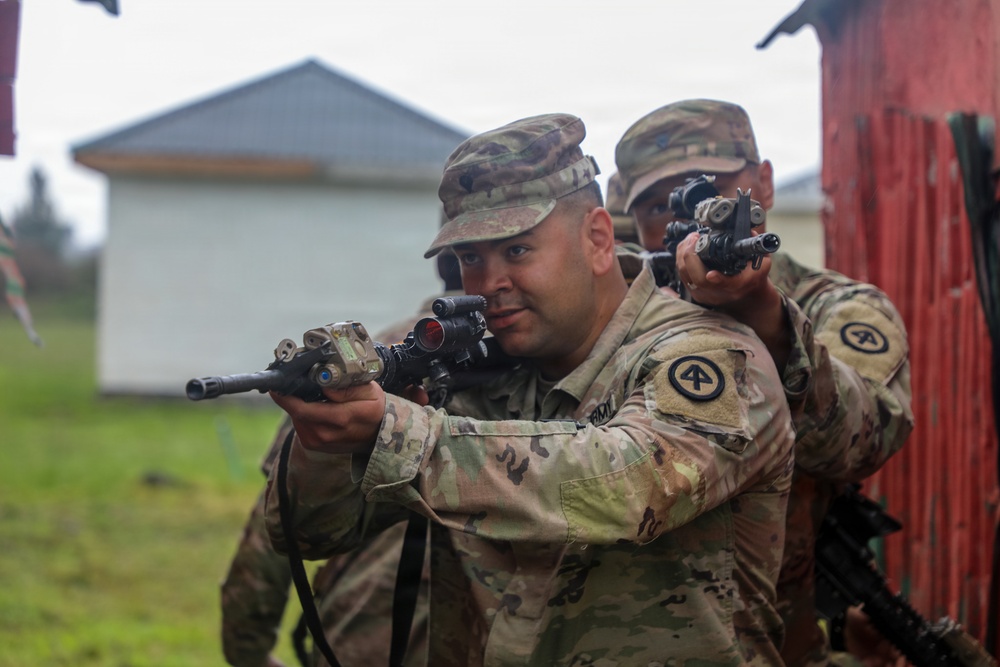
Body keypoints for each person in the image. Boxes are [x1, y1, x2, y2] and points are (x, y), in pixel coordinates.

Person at [263, 112, 797, 665]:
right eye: (471, 258)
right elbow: (312, 533)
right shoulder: (474, 372)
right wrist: (330, 440)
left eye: (517, 250)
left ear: (597, 239)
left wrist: (401, 435)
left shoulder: (709, 354)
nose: (489, 283)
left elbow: (632, 488)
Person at [614, 99, 914, 666]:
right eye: (660, 205)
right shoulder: (616, 310)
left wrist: (766, 320)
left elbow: (867, 436)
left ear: (765, 183)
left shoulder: (837, 307)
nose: (696, 219)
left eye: (713, 193)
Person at [220, 251, 464, 667]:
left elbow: (273, 533)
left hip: (357, 635)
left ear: (440, 262)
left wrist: (249, 652)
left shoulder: (370, 358)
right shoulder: (537, 356)